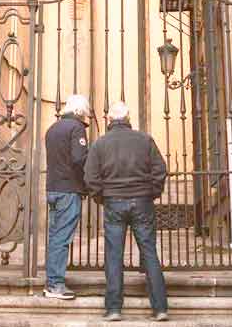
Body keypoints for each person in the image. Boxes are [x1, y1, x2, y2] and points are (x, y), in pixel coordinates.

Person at [84, 102, 169, 322]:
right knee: (149, 252)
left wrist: (102, 197)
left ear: (109, 119)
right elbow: (160, 169)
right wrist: (151, 192)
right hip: (142, 201)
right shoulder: (144, 140)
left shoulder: (100, 144)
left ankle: (113, 309)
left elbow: (91, 177)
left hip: (114, 201)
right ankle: (160, 308)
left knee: (113, 255)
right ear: (128, 117)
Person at [43, 93, 91, 300]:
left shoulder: (52, 128)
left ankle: (51, 282)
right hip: (68, 190)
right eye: (86, 112)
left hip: (53, 188)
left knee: (55, 236)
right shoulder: (76, 128)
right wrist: (90, 181)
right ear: (80, 111)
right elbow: (80, 158)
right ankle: (55, 285)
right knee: (62, 238)